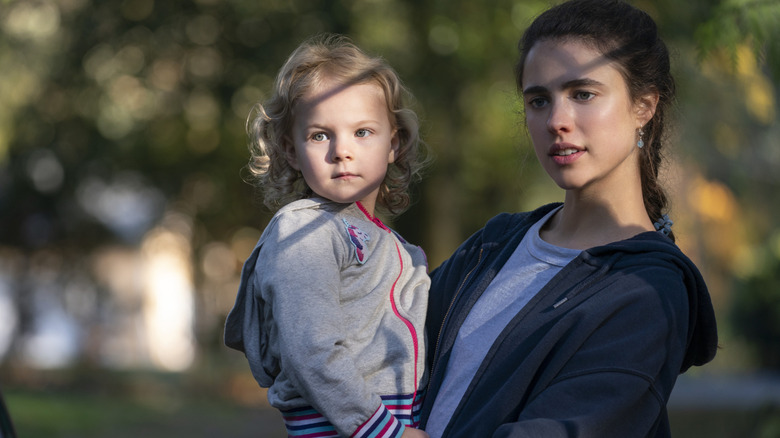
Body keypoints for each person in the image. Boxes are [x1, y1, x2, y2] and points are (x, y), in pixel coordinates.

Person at [419, 0, 718, 436]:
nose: (557, 121)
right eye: (539, 100)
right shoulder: (496, 243)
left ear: (644, 106)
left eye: (583, 94)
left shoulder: (647, 290)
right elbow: (385, 355)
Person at [224, 34, 431, 438]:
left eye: (363, 132)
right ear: (290, 150)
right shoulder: (305, 231)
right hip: (347, 425)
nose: (342, 150)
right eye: (320, 135)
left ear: (395, 142)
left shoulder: (389, 243)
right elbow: (311, 352)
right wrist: (385, 431)